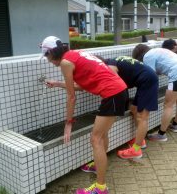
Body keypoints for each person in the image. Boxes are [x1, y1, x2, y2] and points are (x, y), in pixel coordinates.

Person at [41, 36, 127, 194]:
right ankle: (98, 166)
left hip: (112, 94)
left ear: (52, 52)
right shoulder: (75, 54)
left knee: (95, 139)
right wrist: (58, 83)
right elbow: (83, 84)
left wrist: (68, 123)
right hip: (118, 91)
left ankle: (100, 188)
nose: (48, 61)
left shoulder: (65, 63)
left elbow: (71, 96)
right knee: (101, 136)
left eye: (47, 56)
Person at [132, 44, 177, 141]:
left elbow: (151, 75)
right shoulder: (157, 50)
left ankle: (161, 135)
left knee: (168, 105)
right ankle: (175, 125)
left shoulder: (147, 56)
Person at [104, 56, 158, 159]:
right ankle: (140, 141)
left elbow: (119, 86)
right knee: (134, 109)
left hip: (148, 81)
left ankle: (136, 150)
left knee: (143, 117)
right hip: (144, 80)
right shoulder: (115, 60)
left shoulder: (109, 66)